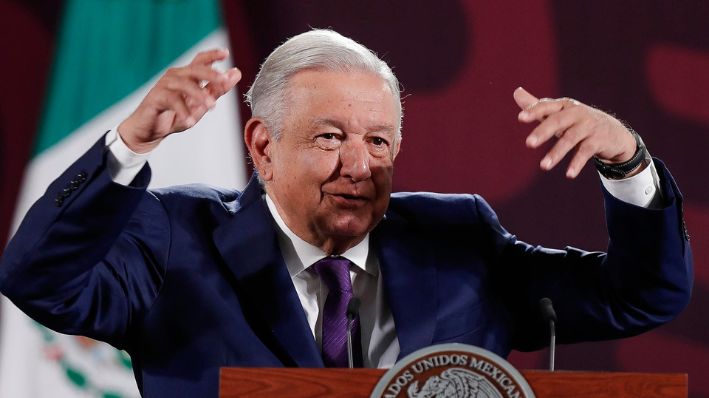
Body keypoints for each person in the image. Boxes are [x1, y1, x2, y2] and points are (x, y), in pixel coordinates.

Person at [0, 29, 692, 397]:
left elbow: (639, 297)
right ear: (262, 146)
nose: (360, 165)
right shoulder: (176, 236)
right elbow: (39, 279)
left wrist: (628, 165)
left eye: (378, 141)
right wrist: (130, 145)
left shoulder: (459, 239)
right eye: (329, 137)